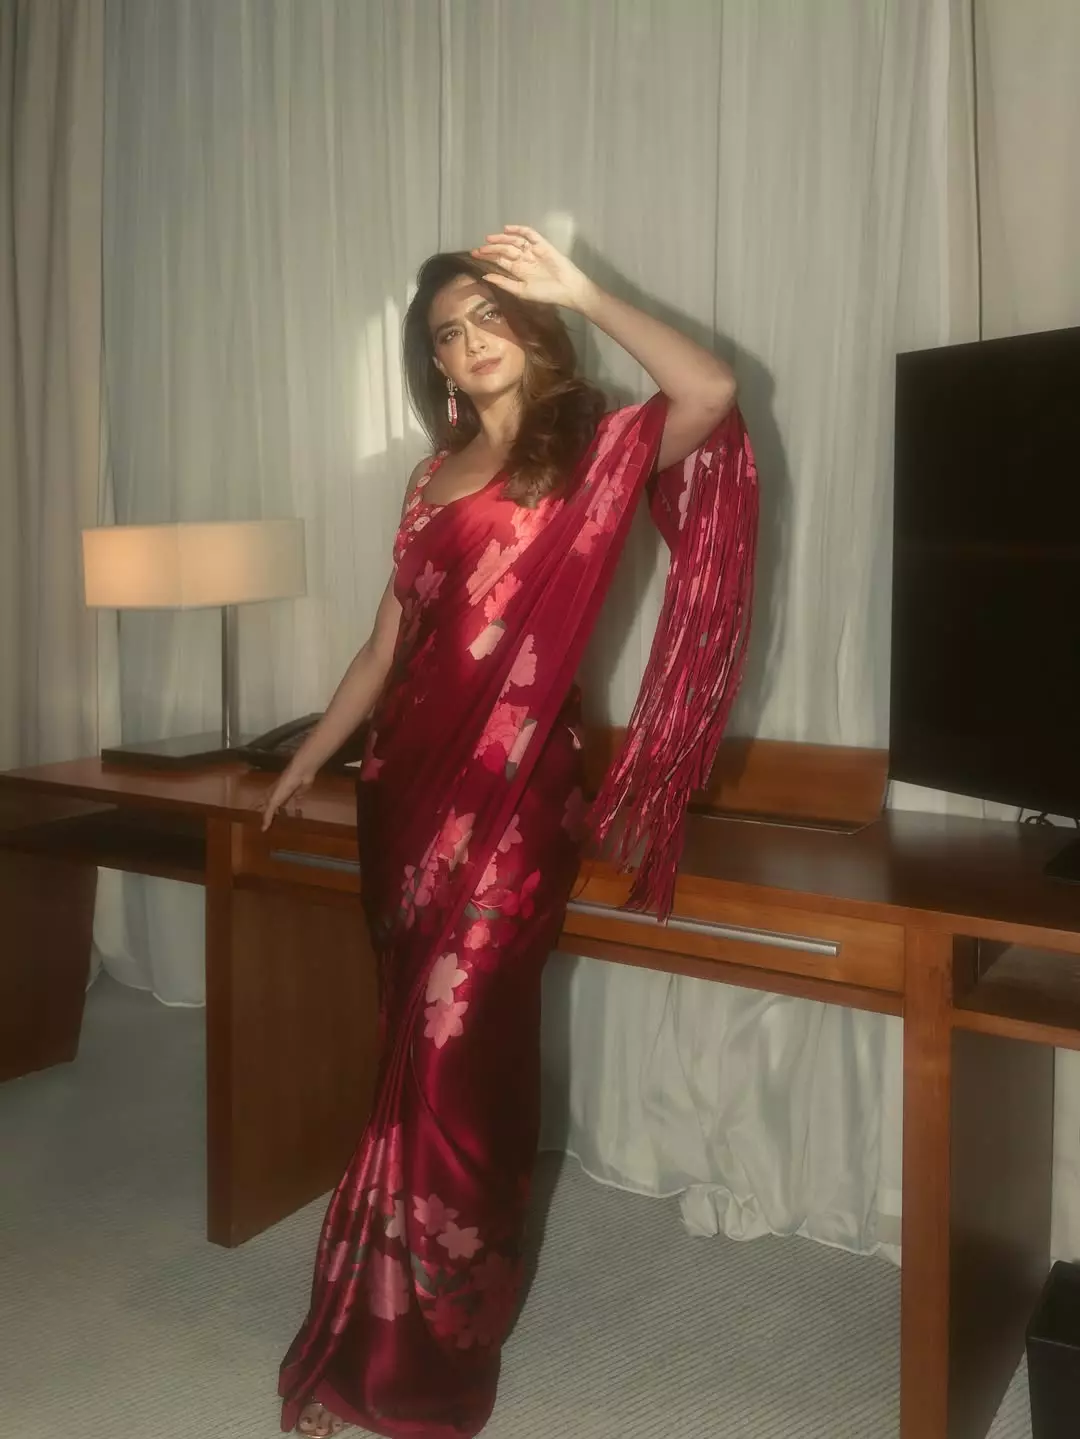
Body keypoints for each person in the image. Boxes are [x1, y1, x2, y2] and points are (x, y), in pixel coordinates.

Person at [261, 225, 757, 1438]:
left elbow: (709, 390)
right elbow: (385, 646)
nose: (470, 341)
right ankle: (361, 1325)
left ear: (534, 327)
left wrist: (583, 285)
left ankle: (430, 1361)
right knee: (403, 1052)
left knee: (458, 1059)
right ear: (433, 366)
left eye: (491, 316)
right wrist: (313, 753)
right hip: (402, 795)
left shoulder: (592, 448)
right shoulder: (427, 480)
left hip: (518, 804)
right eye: (448, 332)